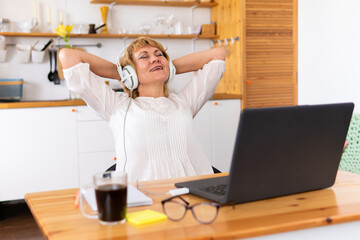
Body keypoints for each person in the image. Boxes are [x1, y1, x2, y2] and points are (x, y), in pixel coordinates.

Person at [59, 37, 226, 183]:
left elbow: (218, 54)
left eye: (159, 54)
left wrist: (169, 68)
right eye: (144, 57)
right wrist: (122, 73)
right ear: (130, 71)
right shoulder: (116, 106)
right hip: (143, 197)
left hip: (193, 193)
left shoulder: (184, 102)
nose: (155, 59)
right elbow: (68, 56)